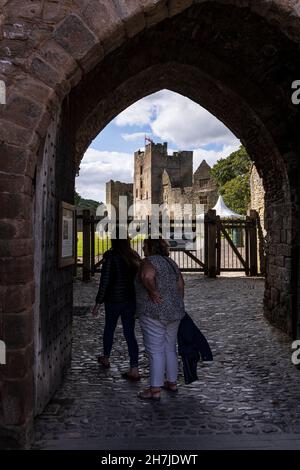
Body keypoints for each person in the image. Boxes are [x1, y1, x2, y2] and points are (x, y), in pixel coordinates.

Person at [135, 238, 185, 399]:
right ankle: (172, 382)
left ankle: (155, 390)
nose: (143, 249)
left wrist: (152, 291)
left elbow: (147, 276)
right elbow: (181, 285)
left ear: (150, 248)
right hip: (174, 312)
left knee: (155, 350)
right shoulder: (171, 262)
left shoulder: (149, 261)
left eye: (144, 246)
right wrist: (177, 302)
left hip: (153, 312)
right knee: (170, 347)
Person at [92, 238, 141, 380]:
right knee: (130, 334)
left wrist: (98, 303)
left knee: (109, 328)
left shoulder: (110, 256)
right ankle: (134, 367)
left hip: (113, 300)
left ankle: (106, 357)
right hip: (129, 300)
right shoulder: (133, 255)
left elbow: (105, 281)